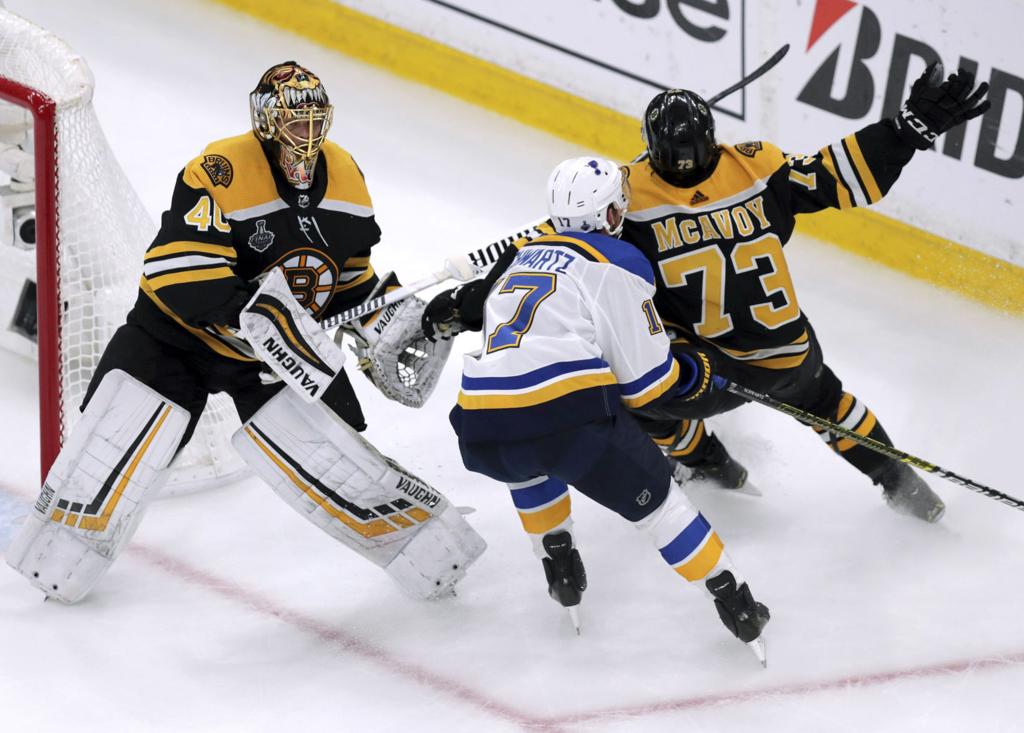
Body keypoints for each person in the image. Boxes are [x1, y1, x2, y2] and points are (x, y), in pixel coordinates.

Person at [424, 63, 990, 523]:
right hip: (789, 352)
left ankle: (716, 469)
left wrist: (462, 305)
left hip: (706, 374)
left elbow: (544, 264)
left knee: (633, 394)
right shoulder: (759, 166)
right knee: (828, 405)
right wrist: (907, 128)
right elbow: (840, 174)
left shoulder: (630, 197)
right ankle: (914, 496)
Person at [6, 61, 484, 604]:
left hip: (273, 357)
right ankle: (54, 569)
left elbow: (351, 283)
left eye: (314, 121)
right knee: (114, 443)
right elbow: (182, 276)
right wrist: (283, 330)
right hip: (175, 335)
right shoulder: (220, 169)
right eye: (293, 122)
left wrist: (422, 319)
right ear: (265, 121)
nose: (306, 135)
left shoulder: (346, 177)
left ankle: (433, 558)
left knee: (333, 459)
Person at [450, 156, 770, 660]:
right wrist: (696, 371)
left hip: (480, 422)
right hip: (566, 421)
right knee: (661, 507)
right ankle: (736, 601)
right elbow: (646, 387)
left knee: (529, 451)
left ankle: (558, 565)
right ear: (612, 216)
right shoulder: (617, 262)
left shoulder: (517, 257)